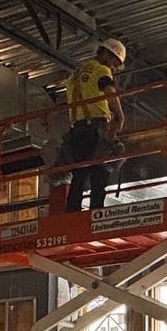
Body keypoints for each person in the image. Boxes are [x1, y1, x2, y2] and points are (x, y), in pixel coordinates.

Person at [62, 37, 127, 213]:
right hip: (96, 129)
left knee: (79, 175)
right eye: (114, 62)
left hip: (76, 131)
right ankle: (97, 214)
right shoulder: (101, 69)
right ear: (106, 53)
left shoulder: (74, 75)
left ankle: (72, 214)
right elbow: (109, 91)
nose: (114, 68)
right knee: (100, 172)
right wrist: (119, 115)